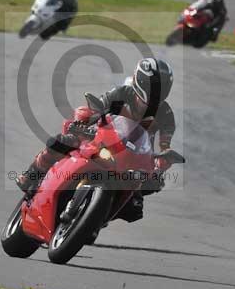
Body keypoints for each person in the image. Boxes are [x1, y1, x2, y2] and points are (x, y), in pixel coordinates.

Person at [16, 57, 176, 222]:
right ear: (140, 80)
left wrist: (161, 164)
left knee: (136, 207)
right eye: (154, 86)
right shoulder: (122, 93)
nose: (156, 91)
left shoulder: (166, 114)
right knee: (61, 141)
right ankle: (32, 174)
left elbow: (165, 146)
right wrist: (81, 123)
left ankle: (97, 219)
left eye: (162, 86)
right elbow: (95, 108)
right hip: (101, 140)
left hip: (133, 159)